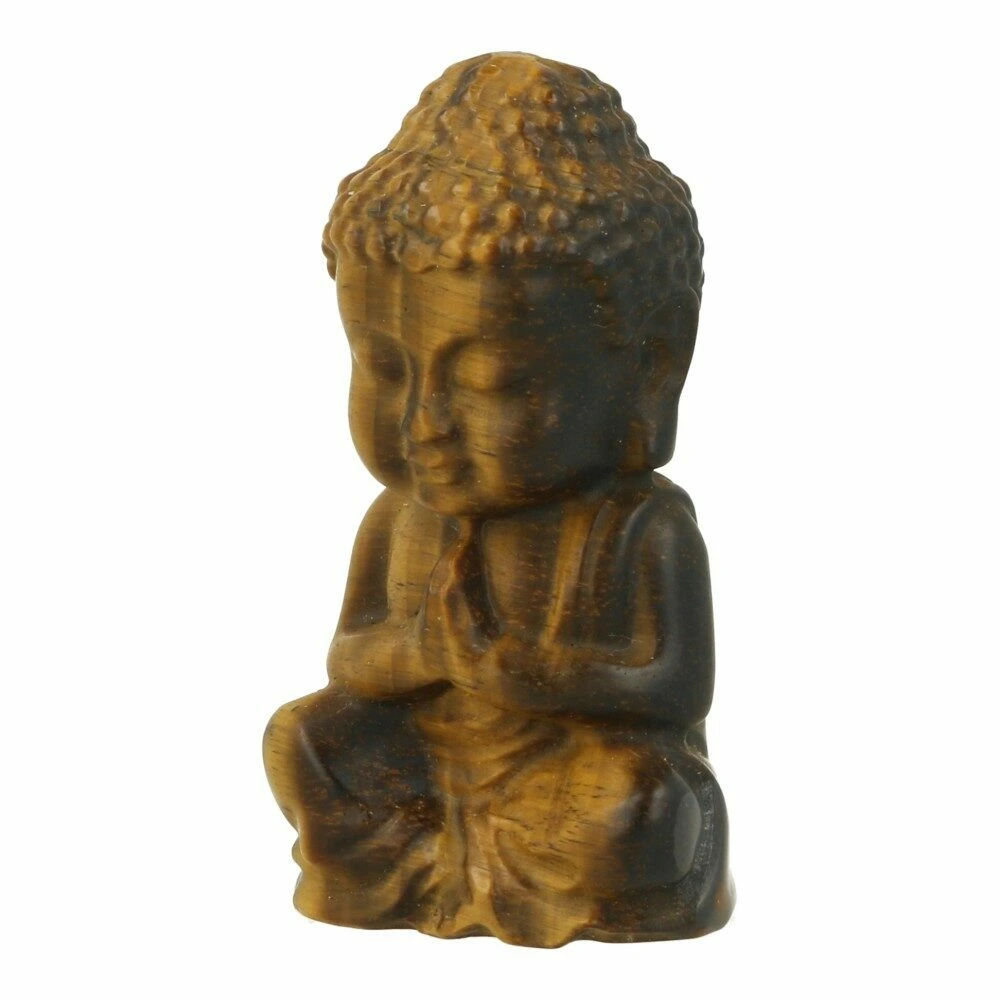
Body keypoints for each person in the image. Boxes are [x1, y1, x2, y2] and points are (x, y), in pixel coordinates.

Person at [264, 52, 734, 947]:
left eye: (490, 381)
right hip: (424, 764)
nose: (425, 424)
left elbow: (674, 689)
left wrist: (521, 673)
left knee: (632, 800)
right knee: (302, 736)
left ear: (651, 369)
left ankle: (549, 881)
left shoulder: (640, 525)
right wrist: (420, 653)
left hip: (564, 781)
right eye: (386, 370)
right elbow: (350, 657)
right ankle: (403, 856)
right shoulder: (402, 519)